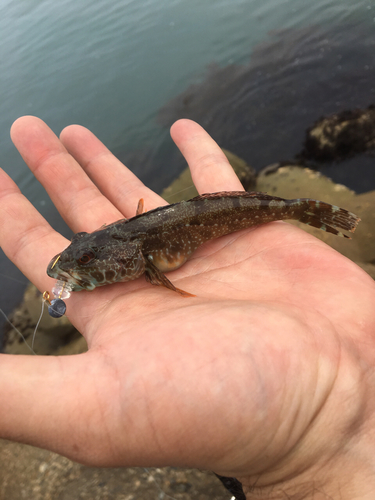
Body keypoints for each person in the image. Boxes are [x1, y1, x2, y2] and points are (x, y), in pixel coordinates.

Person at [0, 117, 374, 500]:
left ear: (130, 256)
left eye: (89, 258)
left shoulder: (141, 255)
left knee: (287, 209)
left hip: (224, 216)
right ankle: (303, 209)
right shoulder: (127, 248)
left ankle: (303, 209)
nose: (79, 266)